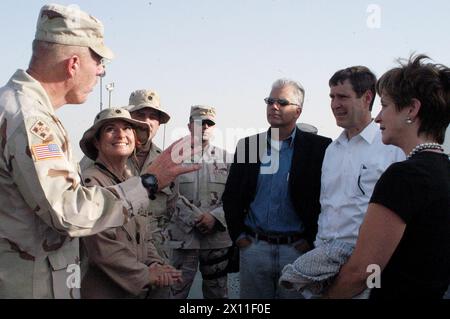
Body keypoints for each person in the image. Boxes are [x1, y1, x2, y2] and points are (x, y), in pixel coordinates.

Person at [0, 4, 197, 299]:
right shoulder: (30, 119)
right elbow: (69, 211)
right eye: (99, 60)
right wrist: (149, 182)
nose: (102, 71)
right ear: (73, 63)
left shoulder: (22, 107)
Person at [325, 55, 450, 299]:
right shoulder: (443, 169)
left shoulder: (403, 176)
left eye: (385, 105)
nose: (379, 117)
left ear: (412, 109)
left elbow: (362, 272)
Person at [279, 66, 404, 298]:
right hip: (324, 267)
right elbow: (327, 207)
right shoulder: (331, 151)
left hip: (367, 270)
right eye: (332, 97)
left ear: (367, 98)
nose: (335, 104)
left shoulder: (390, 149)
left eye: (343, 97)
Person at [222, 79, 332, 299]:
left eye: (282, 102)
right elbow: (232, 196)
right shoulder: (250, 146)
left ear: (298, 111)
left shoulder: (319, 148)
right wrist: (240, 239)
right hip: (254, 249)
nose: (274, 106)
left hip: (297, 252)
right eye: (270, 101)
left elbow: (326, 198)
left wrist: (309, 241)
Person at [79, 108, 182, 299]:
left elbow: (144, 234)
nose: (121, 135)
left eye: (127, 128)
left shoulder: (131, 182)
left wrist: (154, 263)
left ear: (135, 140)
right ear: (96, 142)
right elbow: (101, 248)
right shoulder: (91, 182)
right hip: (106, 290)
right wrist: (146, 275)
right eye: (111, 129)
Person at [166, 105, 233, 299]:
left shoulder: (228, 159)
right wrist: (195, 218)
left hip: (216, 239)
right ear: (189, 126)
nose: (204, 127)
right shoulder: (173, 158)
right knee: (174, 292)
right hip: (183, 238)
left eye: (209, 123)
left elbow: (234, 196)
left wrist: (215, 217)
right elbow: (169, 194)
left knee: (217, 293)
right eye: (198, 123)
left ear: (214, 128)